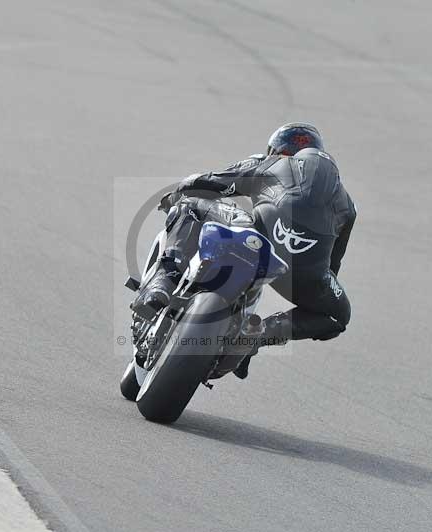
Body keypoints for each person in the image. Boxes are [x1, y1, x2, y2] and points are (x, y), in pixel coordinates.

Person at [132, 123, 357, 379]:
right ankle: (258, 335)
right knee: (338, 315)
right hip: (304, 273)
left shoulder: (269, 163)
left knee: (190, 207)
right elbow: (333, 265)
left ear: (280, 152)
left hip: (257, 241)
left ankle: (164, 283)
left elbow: (207, 183)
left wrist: (176, 196)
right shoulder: (347, 205)